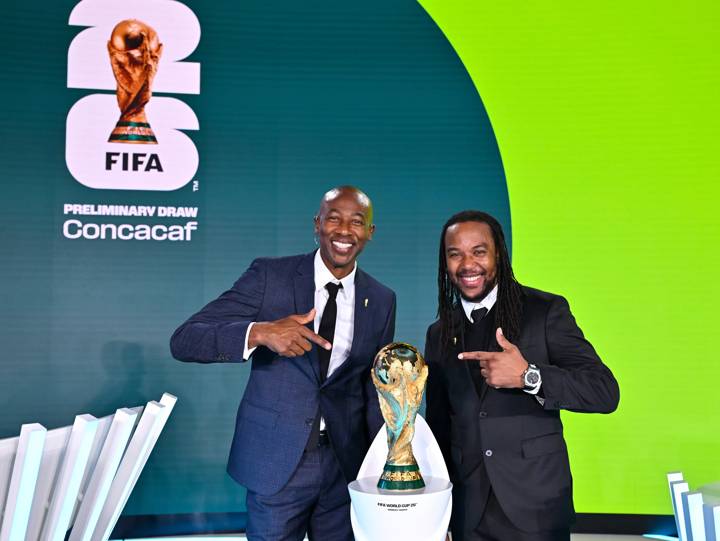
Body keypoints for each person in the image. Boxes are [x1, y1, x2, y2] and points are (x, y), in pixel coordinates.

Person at [170, 186, 396, 541]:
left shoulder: (381, 299)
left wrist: (382, 463)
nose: (343, 230)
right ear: (317, 224)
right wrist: (259, 333)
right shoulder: (269, 277)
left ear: (370, 232)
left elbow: (374, 388)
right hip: (277, 464)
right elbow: (185, 340)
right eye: (333, 218)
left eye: (357, 222)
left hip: (346, 467)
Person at [424, 210, 619, 541]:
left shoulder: (544, 311)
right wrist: (439, 511)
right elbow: (440, 426)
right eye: (455, 254)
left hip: (535, 507)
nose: (467, 264)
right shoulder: (440, 332)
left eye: (479, 251)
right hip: (468, 513)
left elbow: (604, 391)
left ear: (498, 253)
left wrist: (530, 376)